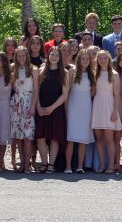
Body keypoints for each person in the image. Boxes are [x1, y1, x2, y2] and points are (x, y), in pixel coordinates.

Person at [35, 46, 70, 174]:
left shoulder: (64, 73)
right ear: (48, 56)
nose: (54, 57)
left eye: (56, 55)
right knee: (40, 137)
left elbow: (65, 94)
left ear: (60, 57)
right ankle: (44, 163)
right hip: (41, 107)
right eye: (52, 54)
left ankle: (51, 164)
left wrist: (51, 108)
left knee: (55, 138)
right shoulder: (41, 71)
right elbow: (36, 91)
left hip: (56, 108)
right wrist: (38, 106)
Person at [90, 50, 121, 174]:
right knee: (99, 138)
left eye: (105, 58)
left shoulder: (114, 74)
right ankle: (102, 164)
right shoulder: (94, 73)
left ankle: (111, 166)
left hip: (109, 105)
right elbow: (93, 92)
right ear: (97, 60)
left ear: (109, 59)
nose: (102, 60)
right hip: (97, 105)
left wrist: (115, 111)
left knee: (109, 138)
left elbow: (117, 95)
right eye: (100, 58)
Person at [65, 49, 95, 174]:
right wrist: (65, 108)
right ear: (78, 59)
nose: (85, 61)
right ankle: (67, 166)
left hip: (86, 107)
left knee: (83, 138)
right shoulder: (72, 71)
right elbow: (66, 91)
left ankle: (80, 166)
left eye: (87, 59)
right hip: (73, 105)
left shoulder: (92, 73)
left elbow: (93, 92)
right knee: (71, 138)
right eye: (83, 58)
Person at [9, 47, 38, 173]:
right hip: (16, 104)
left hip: (28, 103)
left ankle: (27, 165)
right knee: (18, 136)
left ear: (27, 56)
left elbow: (36, 90)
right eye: (19, 56)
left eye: (23, 56)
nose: (21, 58)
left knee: (27, 136)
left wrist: (33, 106)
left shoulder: (33, 69)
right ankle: (22, 164)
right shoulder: (12, 69)